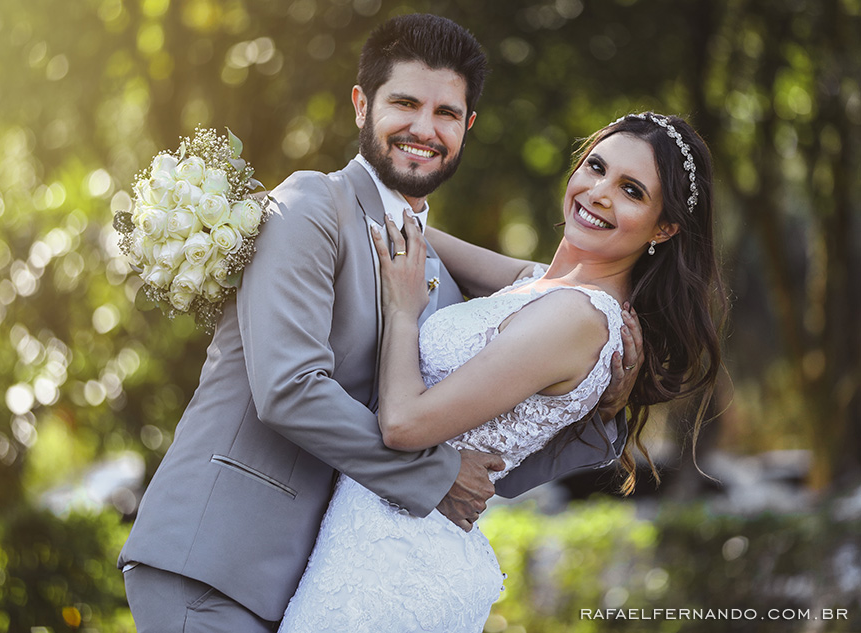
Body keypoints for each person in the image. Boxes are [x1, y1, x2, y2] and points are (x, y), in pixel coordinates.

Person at [118, 14, 640, 632]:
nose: (424, 128)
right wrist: (434, 475)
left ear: (467, 127)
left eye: (446, 113)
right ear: (363, 105)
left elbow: (489, 443)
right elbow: (288, 389)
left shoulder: (433, 270)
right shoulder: (310, 207)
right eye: (404, 103)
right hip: (218, 557)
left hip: (319, 585)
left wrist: (600, 389)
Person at [278, 111, 726, 631]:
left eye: (631, 191)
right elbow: (414, 232)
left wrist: (402, 312)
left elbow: (403, 425)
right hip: (369, 537)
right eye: (596, 167)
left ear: (664, 227)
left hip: (398, 564)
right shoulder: (541, 287)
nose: (599, 192)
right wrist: (321, 198)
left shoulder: (577, 318)